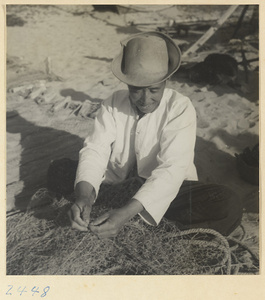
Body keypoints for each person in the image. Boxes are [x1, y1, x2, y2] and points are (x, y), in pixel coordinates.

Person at [68, 32, 243, 238]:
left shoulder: (179, 107)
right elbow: (96, 149)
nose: (144, 99)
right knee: (60, 170)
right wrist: (84, 197)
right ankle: (128, 222)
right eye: (136, 90)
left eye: (153, 90)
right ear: (127, 84)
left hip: (169, 191)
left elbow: (172, 168)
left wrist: (125, 213)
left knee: (228, 203)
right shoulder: (113, 103)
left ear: (166, 81)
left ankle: (152, 236)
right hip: (119, 187)